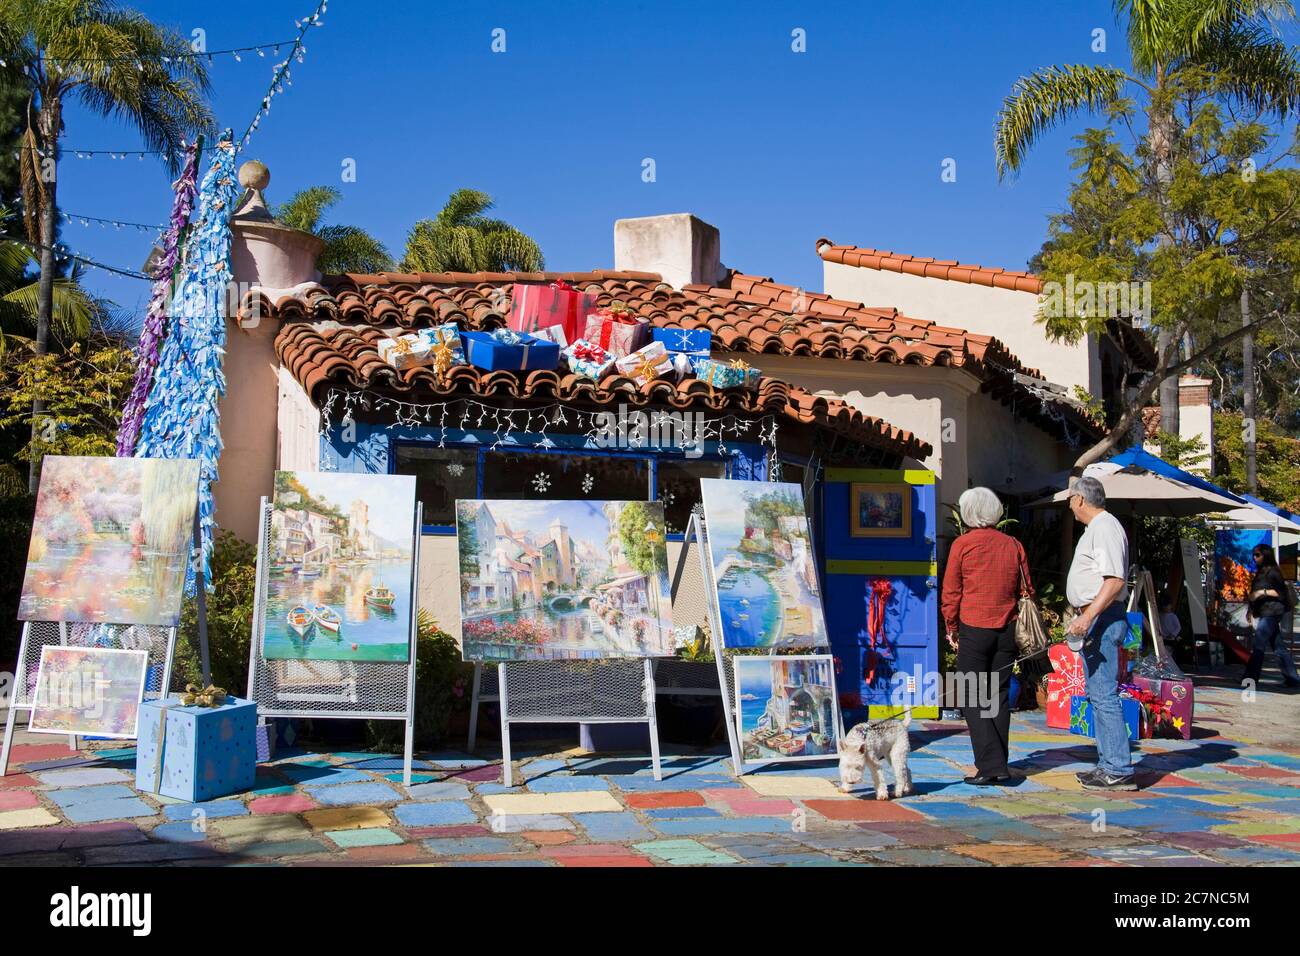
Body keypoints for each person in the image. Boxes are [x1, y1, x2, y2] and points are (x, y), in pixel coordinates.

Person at [941, 487, 1032, 786]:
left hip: (974, 627)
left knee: (969, 694)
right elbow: (1027, 588)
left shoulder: (962, 545)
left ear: (968, 512)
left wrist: (950, 626)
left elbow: (952, 591)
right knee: (998, 696)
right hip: (1007, 629)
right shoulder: (1013, 544)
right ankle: (998, 765)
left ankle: (990, 764)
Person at [1064, 476, 1136, 791]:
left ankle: (1118, 767)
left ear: (1080, 500)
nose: (1069, 505)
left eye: (1070, 499)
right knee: (1097, 693)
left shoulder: (1105, 527)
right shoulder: (1098, 528)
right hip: (1097, 618)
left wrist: (1088, 616)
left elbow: (1115, 580)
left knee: (1103, 694)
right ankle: (1109, 764)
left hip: (1102, 619)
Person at [1242, 544, 1300, 689]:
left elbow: (1280, 593)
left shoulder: (1273, 572)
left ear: (1265, 555)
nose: (1255, 558)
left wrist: (1262, 593)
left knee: (1258, 645)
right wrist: (1251, 609)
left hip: (1272, 612)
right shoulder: (1261, 572)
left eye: (1258, 555)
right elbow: (1254, 593)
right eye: (1254, 555)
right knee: (1278, 646)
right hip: (1264, 611)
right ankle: (1293, 678)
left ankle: (1250, 679)